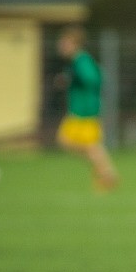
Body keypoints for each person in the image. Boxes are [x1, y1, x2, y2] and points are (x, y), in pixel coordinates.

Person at [56, 25, 118, 191]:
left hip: (85, 110)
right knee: (70, 142)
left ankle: (107, 174)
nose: (61, 46)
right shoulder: (76, 62)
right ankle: (105, 172)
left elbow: (94, 78)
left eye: (65, 42)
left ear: (74, 44)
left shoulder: (81, 60)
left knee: (88, 145)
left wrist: (74, 78)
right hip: (79, 110)